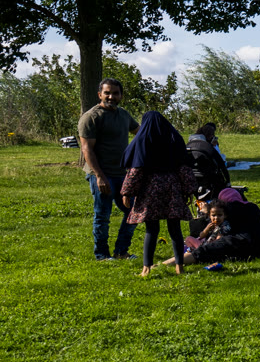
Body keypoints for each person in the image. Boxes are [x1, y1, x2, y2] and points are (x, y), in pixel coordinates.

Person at [119, 111, 196, 277]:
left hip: (150, 189)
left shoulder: (142, 141)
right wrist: (189, 190)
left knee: (151, 230)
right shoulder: (174, 139)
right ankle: (179, 266)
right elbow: (184, 167)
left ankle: (146, 268)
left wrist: (127, 192)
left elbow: (136, 170)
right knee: (175, 228)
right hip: (172, 187)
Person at [78, 77, 138, 261]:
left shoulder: (124, 115)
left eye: (115, 93)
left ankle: (121, 252)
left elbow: (140, 132)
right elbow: (87, 149)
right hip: (102, 174)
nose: (111, 97)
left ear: (121, 96)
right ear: (99, 94)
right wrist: (99, 176)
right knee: (103, 216)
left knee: (133, 210)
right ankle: (102, 255)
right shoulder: (91, 117)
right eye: (107, 93)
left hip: (122, 174)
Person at [175, 188, 260, 269]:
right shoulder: (252, 207)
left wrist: (205, 213)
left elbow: (199, 232)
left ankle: (172, 262)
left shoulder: (230, 209)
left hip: (241, 245)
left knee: (204, 251)